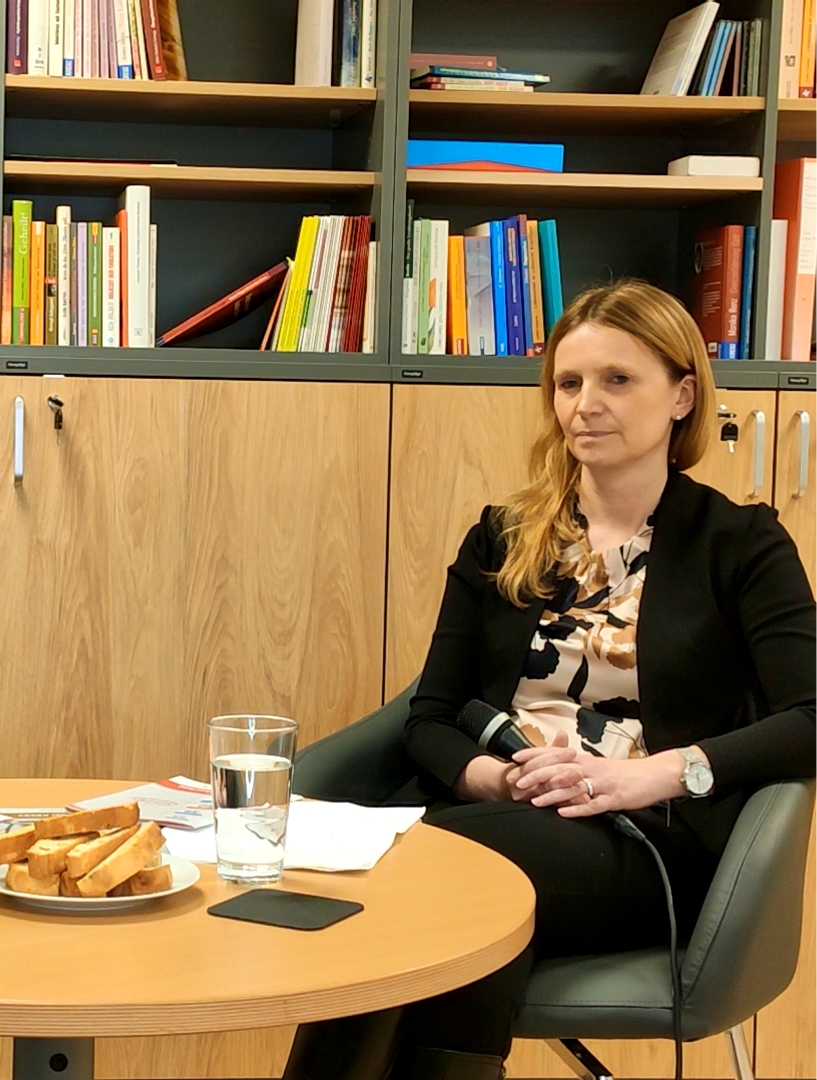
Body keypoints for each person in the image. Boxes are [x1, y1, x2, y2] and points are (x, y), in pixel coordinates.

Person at [285, 279, 817, 1080]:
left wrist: (649, 776)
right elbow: (427, 715)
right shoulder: (503, 537)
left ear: (680, 396)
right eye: (567, 383)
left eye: (616, 380)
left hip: (645, 842)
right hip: (497, 821)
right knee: (447, 899)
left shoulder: (739, 543)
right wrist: (490, 777)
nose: (583, 404)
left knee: (426, 884)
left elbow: (810, 714)